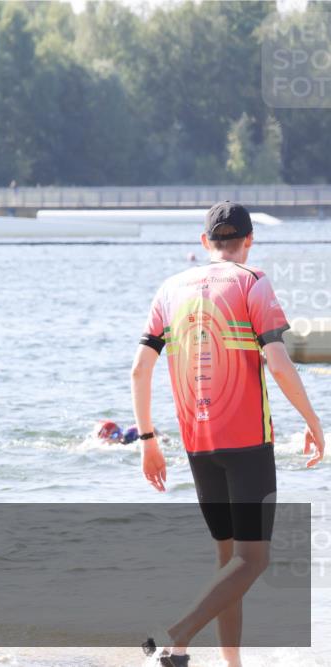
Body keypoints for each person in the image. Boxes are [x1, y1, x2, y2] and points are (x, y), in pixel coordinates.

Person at [131, 202, 324, 667]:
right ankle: (173, 635)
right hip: (247, 442)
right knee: (253, 560)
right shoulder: (253, 282)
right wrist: (314, 422)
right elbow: (278, 363)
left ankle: (224, 662)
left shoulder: (170, 289)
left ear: (205, 242)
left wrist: (148, 441)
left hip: (198, 444)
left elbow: (139, 369)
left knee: (229, 562)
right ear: (249, 241)